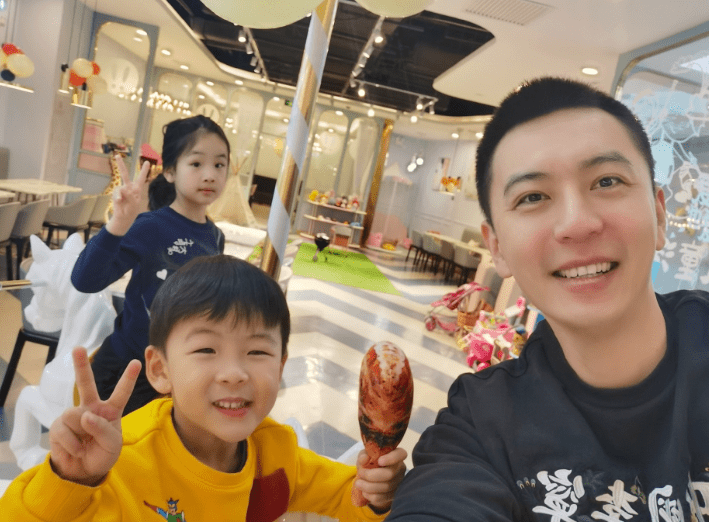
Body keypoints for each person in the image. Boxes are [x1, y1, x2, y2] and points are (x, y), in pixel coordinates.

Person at [386, 76, 709, 521]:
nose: (576, 223)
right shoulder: (481, 429)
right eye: (533, 196)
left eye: (607, 180)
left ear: (658, 214)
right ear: (497, 247)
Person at [2, 255, 407, 520]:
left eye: (257, 352)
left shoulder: (277, 453)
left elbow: (349, 498)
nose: (234, 373)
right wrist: (69, 479)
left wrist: (378, 492)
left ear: (282, 366)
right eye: (206, 349)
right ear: (160, 370)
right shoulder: (120, 459)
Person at [71, 115, 228, 415]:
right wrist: (118, 223)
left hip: (175, 377)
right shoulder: (150, 226)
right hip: (126, 372)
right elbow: (85, 280)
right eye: (196, 163)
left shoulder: (216, 237)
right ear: (170, 171)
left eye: (219, 165)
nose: (210, 175)